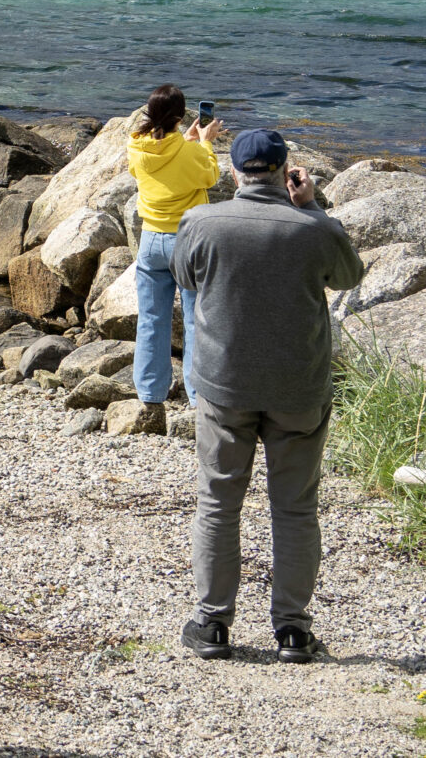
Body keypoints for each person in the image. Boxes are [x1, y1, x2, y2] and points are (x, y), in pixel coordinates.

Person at [171, 127, 365, 665]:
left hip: (224, 385)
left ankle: (212, 625)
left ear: (234, 172)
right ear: (286, 172)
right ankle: (294, 632)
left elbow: (186, 276)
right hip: (298, 388)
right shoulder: (313, 228)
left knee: (217, 504)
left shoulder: (203, 222)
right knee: (296, 509)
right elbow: (350, 273)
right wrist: (315, 206)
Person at [126, 86, 225, 407]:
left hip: (151, 240)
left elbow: (158, 161)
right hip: (188, 240)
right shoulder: (191, 151)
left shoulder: (136, 146)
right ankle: (197, 396)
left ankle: (150, 393)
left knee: (152, 318)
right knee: (196, 318)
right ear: (181, 118)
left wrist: (188, 142)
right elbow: (209, 176)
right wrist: (206, 143)